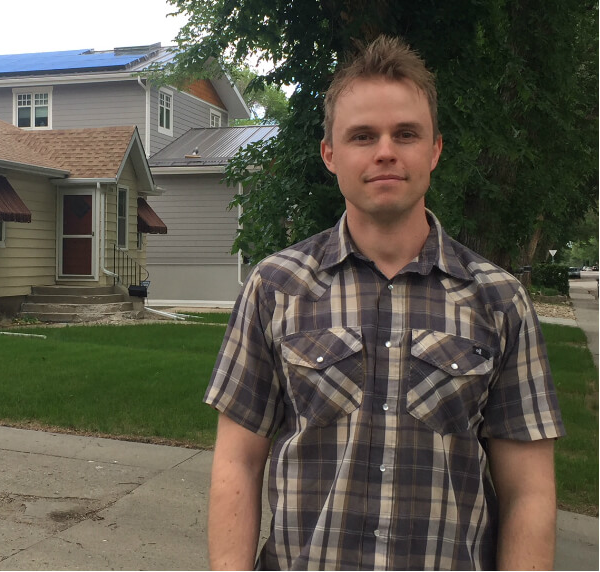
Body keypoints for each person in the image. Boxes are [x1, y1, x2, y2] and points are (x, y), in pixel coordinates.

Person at [204, 35, 564, 571]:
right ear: (331, 154)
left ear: (435, 150)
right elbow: (237, 463)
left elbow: (529, 491)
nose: (385, 151)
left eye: (406, 134)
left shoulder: (498, 299)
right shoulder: (276, 287)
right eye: (363, 135)